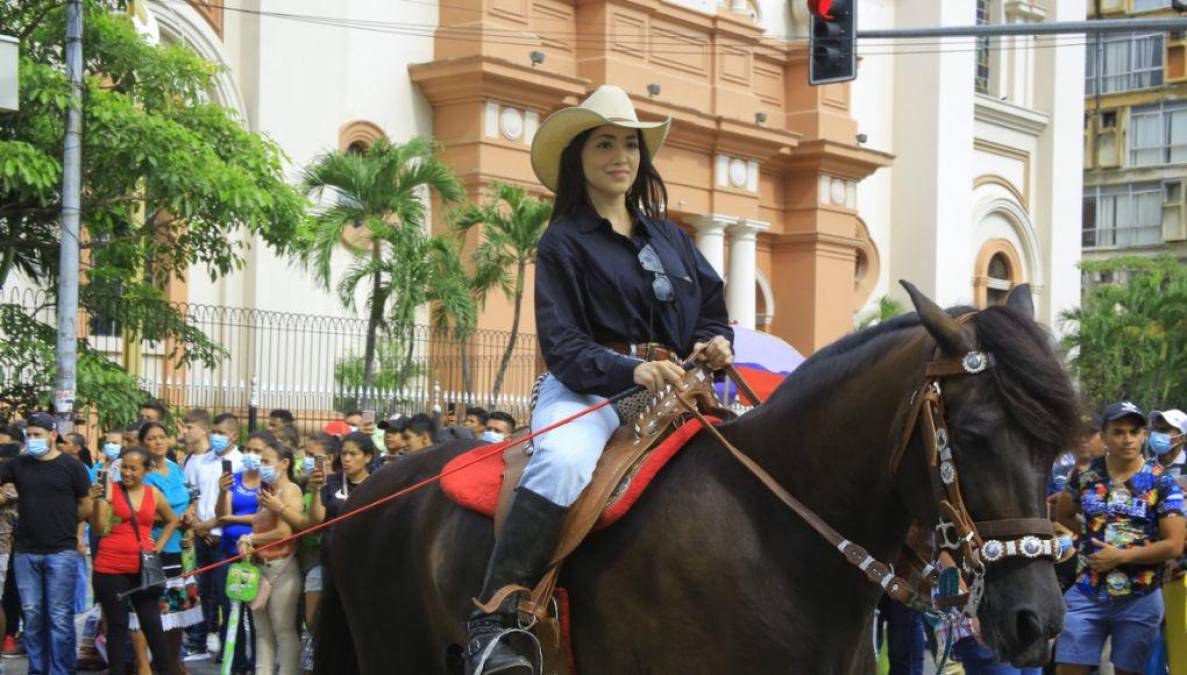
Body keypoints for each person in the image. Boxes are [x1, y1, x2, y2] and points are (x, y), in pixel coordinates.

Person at [462, 84, 734, 672]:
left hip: (679, 390)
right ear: (578, 158)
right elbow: (563, 346)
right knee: (561, 463)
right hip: (590, 391)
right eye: (605, 144)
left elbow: (711, 305)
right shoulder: (562, 242)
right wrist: (631, 367)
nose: (621, 157)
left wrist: (718, 342)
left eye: (630, 145)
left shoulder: (673, 237)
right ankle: (497, 620)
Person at [1055, 401, 1186, 675]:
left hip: (1141, 594)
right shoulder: (1084, 474)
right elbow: (1064, 513)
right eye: (1118, 432)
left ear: (1143, 436)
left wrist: (1122, 555)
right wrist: (1089, 537)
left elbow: (1174, 544)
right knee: (1068, 667)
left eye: (1134, 432)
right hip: (1087, 590)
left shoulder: (1161, 482)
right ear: (1103, 437)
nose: (1127, 439)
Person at [0, 413, 92, 675]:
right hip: (26, 552)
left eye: (38, 435)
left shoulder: (72, 467)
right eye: (30, 435)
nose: (33, 440)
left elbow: (86, 505)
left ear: (53, 435)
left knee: (59, 618)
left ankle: (61, 671)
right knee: (32, 618)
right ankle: (37, 670)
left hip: (61, 552)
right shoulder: (18, 465)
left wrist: (62, 521)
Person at [88, 447, 178, 675]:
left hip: (143, 568)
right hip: (110, 567)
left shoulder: (153, 493)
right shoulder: (111, 491)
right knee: (117, 626)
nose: (127, 473)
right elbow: (99, 529)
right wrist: (99, 501)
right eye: (124, 467)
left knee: (153, 625)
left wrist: (157, 547)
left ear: (146, 471)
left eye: (133, 468)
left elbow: (171, 520)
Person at [238, 438, 302, 675]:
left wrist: (250, 539)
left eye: (266, 461)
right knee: (261, 631)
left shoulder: (290, 491)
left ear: (284, 463)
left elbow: (285, 533)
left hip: (281, 569)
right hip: (258, 567)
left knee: (283, 629)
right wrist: (248, 542)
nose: (261, 465)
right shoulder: (267, 492)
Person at [140, 422, 201, 673]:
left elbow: (192, 497)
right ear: (143, 444)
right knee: (150, 608)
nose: (158, 442)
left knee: (177, 608)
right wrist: (168, 519)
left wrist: (189, 515)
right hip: (153, 545)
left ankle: (172, 661)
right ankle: (145, 664)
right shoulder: (140, 472)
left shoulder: (177, 468)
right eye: (152, 438)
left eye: (162, 436)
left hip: (180, 547)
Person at [183, 413, 243, 660]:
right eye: (214, 432)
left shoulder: (239, 462)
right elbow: (195, 496)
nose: (216, 437)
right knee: (202, 592)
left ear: (234, 435)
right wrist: (198, 526)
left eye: (221, 432)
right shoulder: (203, 460)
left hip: (224, 538)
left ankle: (228, 648)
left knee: (225, 596)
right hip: (202, 534)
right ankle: (200, 641)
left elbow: (236, 504)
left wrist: (213, 527)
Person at [213, 432, 265, 674]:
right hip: (227, 553)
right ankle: (235, 663)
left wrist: (232, 517)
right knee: (230, 607)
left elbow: (261, 516)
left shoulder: (268, 484)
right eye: (249, 449)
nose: (252, 455)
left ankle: (257, 664)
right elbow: (220, 513)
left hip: (254, 555)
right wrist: (223, 492)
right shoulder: (233, 479)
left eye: (258, 451)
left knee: (254, 613)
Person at [305, 432, 374, 575]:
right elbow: (316, 521)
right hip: (331, 560)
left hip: (364, 561)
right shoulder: (330, 481)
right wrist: (316, 490)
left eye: (353, 454)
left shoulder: (377, 484)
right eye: (344, 454)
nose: (347, 459)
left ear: (367, 457)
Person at [1147, 409, 1187, 477]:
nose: (1156, 433)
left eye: (1163, 430)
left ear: (1181, 438)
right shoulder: (1146, 464)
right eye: (1155, 428)